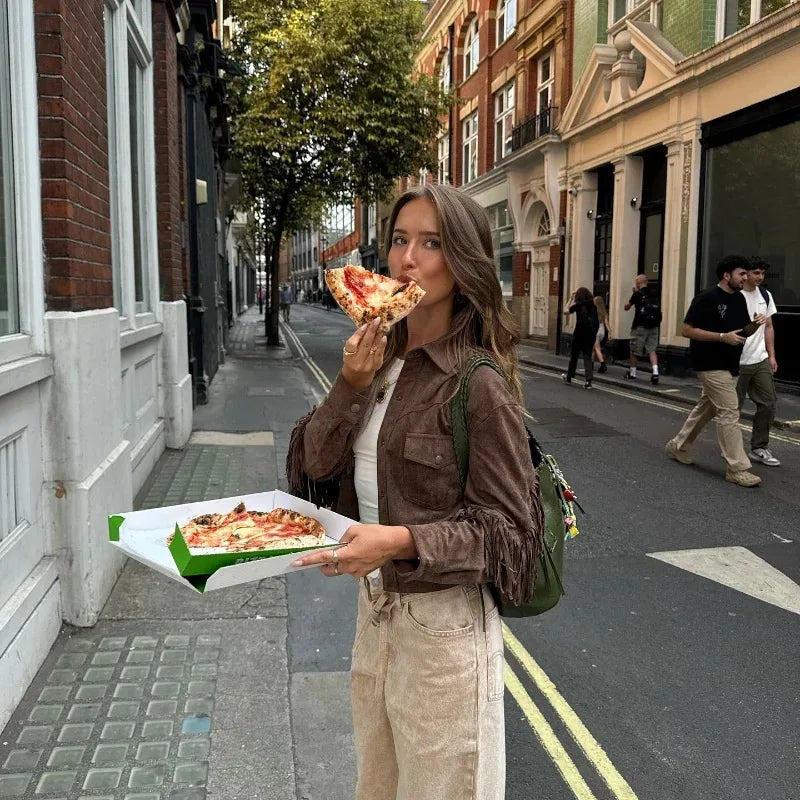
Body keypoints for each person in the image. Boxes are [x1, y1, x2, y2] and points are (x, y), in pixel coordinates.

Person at [286, 183, 543, 800]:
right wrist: (349, 383)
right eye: (400, 240)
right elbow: (314, 468)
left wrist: (398, 541)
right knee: (377, 789)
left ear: (461, 262)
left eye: (431, 244)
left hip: (445, 631)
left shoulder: (477, 383)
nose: (407, 259)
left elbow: (512, 534)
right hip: (376, 615)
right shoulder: (377, 363)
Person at [665, 254, 765, 487]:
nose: (745, 278)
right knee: (729, 411)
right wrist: (721, 337)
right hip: (710, 364)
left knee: (706, 408)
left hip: (731, 364)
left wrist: (754, 325)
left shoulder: (739, 299)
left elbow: (740, 332)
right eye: (741, 274)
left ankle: (678, 446)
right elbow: (687, 330)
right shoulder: (706, 298)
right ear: (726, 275)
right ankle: (737, 468)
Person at [737, 257, 780, 466]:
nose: (760, 277)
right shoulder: (735, 295)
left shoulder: (765, 295)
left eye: (763, 274)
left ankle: (759, 447)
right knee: (730, 408)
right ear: (746, 274)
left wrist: (771, 355)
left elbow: (769, 327)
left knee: (768, 403)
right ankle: (732, 449)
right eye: (756, 273)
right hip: (737, 361)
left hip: (760, 358)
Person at [624, 274, 661, 384]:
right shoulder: (654, 293)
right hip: (654, 326)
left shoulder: (637, 294)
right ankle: (655, 373)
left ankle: (633, 373)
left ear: (638, 283)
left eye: (636, 281)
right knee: (652, 349)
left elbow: (626, 307)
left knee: (635, 350)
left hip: (640, 326)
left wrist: (633, 294)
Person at [562, 287, 599, 388]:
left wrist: (571, 299)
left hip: (579, 334)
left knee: (574, 357)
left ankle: (569, 377)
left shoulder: (578, 305)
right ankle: (588, 381)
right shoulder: (593, 306)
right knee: (587, 357)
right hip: (590, 336)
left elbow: (565, 311)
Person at [592, 295, 610, 373]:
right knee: (593, 349)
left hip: (595, 331)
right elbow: (606, 323)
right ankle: (591, 365)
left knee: (597, 349)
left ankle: (603, 365)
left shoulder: (593, 311)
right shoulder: (604, 312)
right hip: (602, 331)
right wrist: (609, 333)